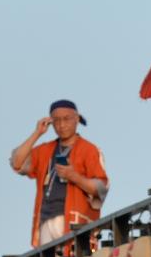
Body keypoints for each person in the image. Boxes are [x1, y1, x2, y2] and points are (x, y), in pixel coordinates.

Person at [10, 100, 109, 247]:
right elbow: (17, 162)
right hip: (45, 220)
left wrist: (74, 177)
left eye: (66, 119)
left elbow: (101, 188)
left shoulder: (89, 150)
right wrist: (37, 133)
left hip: (76, 222)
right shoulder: (45, 150)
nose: (61, 125)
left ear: (77, 119)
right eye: (56, 120)